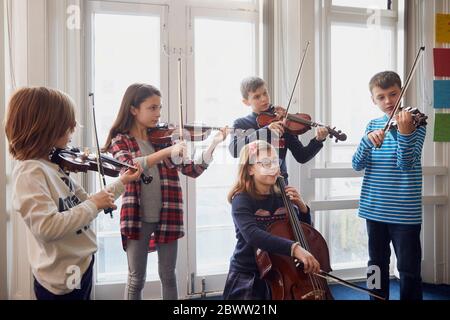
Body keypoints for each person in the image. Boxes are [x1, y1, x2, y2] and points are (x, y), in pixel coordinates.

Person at [5, 87, 143, 300]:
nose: (74, 128)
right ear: (45, 127)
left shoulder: (53, 165)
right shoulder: (30, 173)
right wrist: (94, 204)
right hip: (62, 277)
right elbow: (47, 227)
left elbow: (86, 203)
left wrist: (122, 182)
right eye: (67, 124)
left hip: (81, 263)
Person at [104, 83, 228, 300]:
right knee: (136, 278)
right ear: (133, 109)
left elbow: (192, 169)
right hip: (137, 216)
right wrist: (169, 151)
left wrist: (213, 144)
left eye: (159, 108)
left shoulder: (164, 138)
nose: (158, 114)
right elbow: (130, 166)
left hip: (168, 213)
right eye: (152, 108)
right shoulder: (120, 139)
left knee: (168, 275)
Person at [352, 71, 426, 300]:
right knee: (375, 264)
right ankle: (376, 298)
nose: (388, 101)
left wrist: (404, 134)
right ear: (373, 100)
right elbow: (357, 164)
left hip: (405, 211)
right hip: (374, 209)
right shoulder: (372, 125)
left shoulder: (415, 122)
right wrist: (366, 141)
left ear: (401, 91)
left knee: (409, 269)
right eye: (381, 97)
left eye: (393, 94)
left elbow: (406, 165)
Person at [223, 140, 320, 300]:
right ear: (250, 169)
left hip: (282, 269)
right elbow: (253, 235)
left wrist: (302, 208)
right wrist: (295, 249)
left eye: (276, 162)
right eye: (266, 163)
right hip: (249, 272)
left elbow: (302, 231)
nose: (274, 168)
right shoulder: (241, 199)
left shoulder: (283, 195)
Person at [229, 77, 328, 184]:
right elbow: (234, 150)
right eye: (257, 97)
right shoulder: (241, 123)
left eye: (265, 93)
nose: (264, 99)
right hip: (253, 187)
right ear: (246, 102)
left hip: (279, 185)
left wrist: (318, 140)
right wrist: (266, 130)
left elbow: (302, 156)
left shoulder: (282, 122)